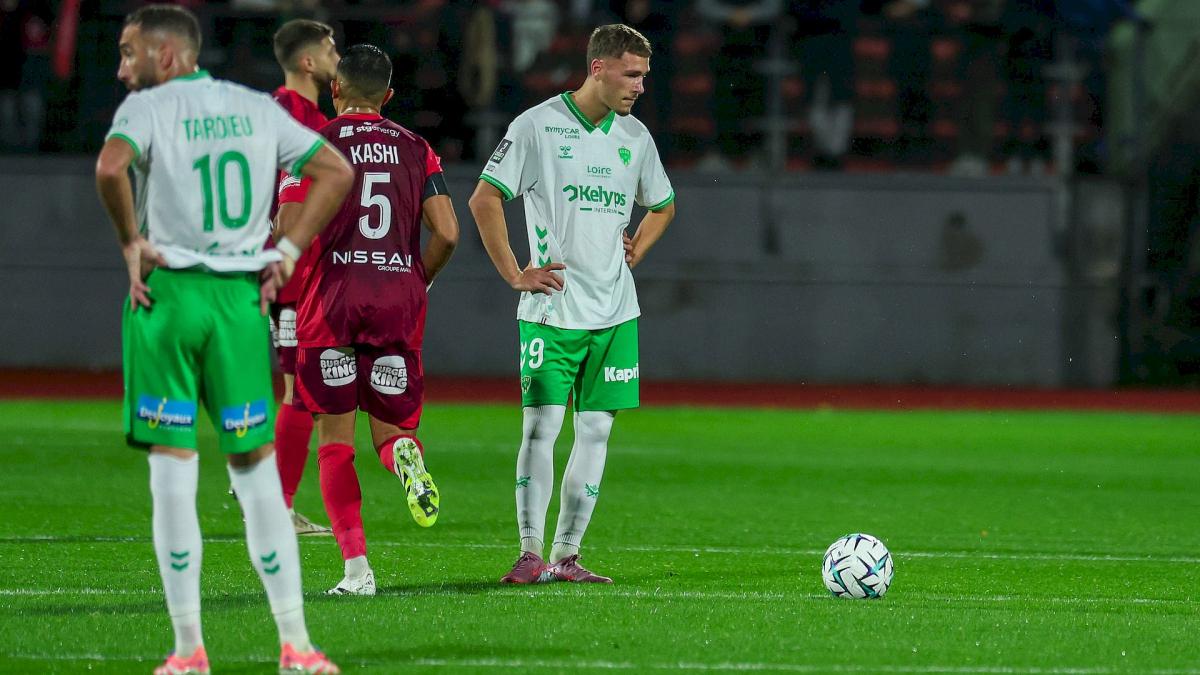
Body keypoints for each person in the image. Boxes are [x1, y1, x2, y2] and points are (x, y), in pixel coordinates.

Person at [93, 5, 352, 673]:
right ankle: (296, 643)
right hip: (241, 304)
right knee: (259, 478)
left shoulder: (147, 110)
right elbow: (337, 174)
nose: (122, 70)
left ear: (167, 56)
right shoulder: (255, 107)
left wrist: (130, 243)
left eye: (129, 54)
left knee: (171, 476)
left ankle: (188, 650)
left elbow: (109, 169)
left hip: (170, 296)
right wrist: (290, 249)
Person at [468, 23, 676, 584]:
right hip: (552, 310)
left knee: (596, 432)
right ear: (599, 67)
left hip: (616, 312)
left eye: (644, 76)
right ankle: (530, 550)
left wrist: (636, 250)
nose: (639, 86)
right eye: (632, 74)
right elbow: (484, 198)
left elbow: (662, 204)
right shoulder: (536, 127)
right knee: (541, 427)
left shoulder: (635, 138)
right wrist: (515, 272)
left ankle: (567, 555)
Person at [276, 44, 458, 596]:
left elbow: (288, 223)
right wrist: (414, 279)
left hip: (331, 302)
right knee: (392, 431)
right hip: (396, 298)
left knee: (334, 442)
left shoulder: (312, 145)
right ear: (389, 96)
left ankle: (358, 572)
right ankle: (405, 458)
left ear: (335, 90)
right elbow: (447, 232)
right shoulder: (417, 147)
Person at [267, 18, 341, 537]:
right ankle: (275, 503)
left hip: (311, 269)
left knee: (305, 391)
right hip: (291, 271)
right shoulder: (284, 114)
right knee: (299, 390)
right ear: (308, 61)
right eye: (330, 46)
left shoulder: (313, 116)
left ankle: (270, 491)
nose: (337, 53)